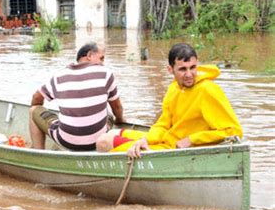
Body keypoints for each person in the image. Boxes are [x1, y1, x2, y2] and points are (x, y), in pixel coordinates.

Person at [95, 43, 243, 157]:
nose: (189, 74)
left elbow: (234, 132)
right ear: (170, 70)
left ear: (197, 63)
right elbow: (163, 124)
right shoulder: (173, 88)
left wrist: (193, 139)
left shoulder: (208, 90)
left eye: (193, 67)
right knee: (105, 137)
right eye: (183, 69)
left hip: (176, 148)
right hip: (166, 139)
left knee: (104, 144)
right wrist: (146, 140)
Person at [29, 42, 124, 151]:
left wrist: (38, 113)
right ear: (89, 55)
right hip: (99, 140)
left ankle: (39, 153)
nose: (102, 63)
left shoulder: (59, 76)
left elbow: (36, 97)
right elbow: (117, 107)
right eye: (101, 58)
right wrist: (120, 120)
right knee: (109, 114)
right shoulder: (106, 73)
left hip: (66, 141)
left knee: (33, 110)